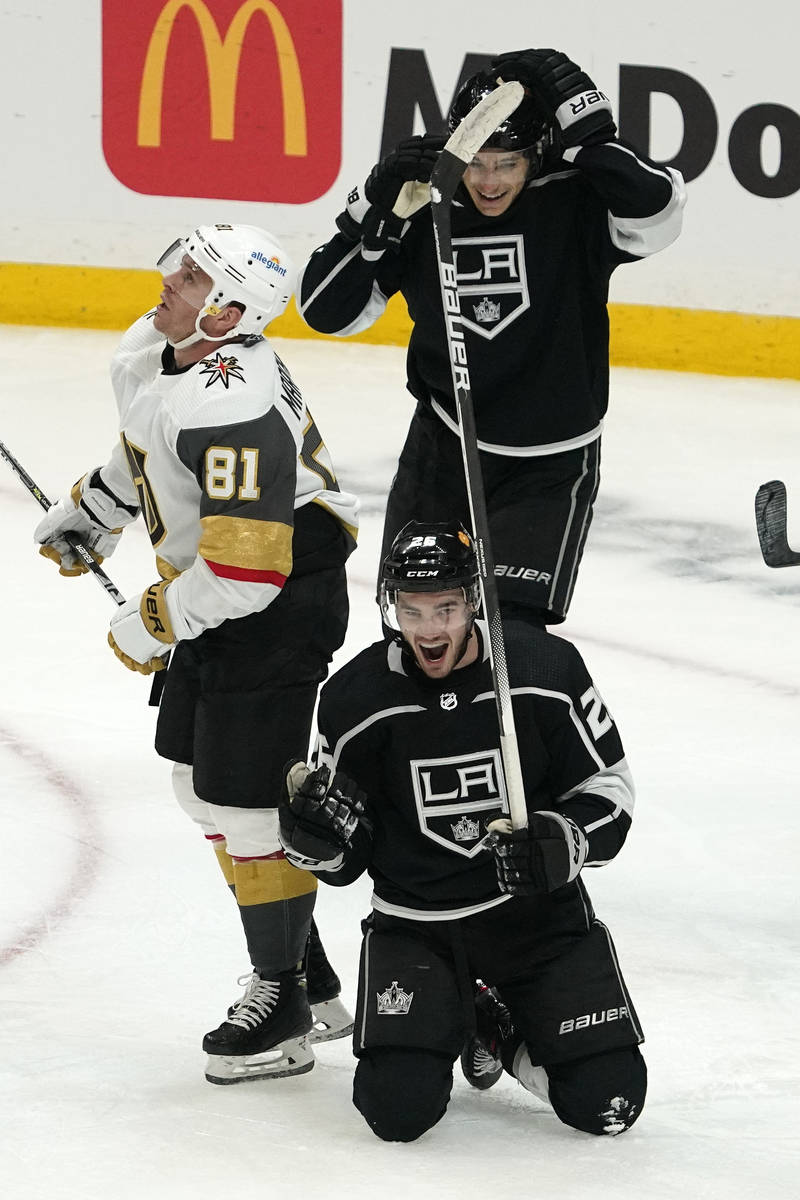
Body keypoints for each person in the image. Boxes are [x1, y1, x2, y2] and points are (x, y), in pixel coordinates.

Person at [34, 223, 360, 1084]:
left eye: (190, 277)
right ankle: (313, 977)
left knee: (248, 804)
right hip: (231, 588)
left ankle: (284, 1006)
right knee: (197, 781)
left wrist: (152, 618)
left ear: (226, 312)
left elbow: (248, 571)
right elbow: (147, 441)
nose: (169, 282)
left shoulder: (235, 404)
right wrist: (95, 512)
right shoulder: (170, 350)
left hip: (280, 601)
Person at [277, 520, 646, 1141]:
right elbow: (347, 858)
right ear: (389, 605)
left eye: (446, 608)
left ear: (475, 600)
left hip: (535, 921)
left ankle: (498, 1033)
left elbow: (612, 793)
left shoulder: (542, 667)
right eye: (411, 609)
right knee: (396, 1112)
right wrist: (316, 846)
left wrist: (567, 840)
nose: (428, 629)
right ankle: (458, 1013)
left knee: (609, 1104)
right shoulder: (352, 699)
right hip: (418, 928)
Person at [298, 49, 686, 627]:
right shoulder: (425, 206)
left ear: (536, 155)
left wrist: (593, 137)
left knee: (514, 643)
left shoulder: (575, 198)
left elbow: (660, 212)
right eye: (475, 161)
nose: (488, 180)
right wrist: (372, 212)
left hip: (551, 465)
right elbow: (326, 312)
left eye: (506, 163)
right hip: (444, 451)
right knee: (416, 630)